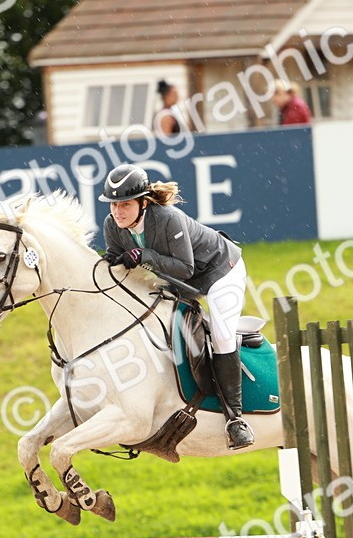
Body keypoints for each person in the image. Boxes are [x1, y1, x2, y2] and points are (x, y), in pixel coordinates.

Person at [98, 163, 255, 450]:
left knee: (221, 334)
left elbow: (185, 267)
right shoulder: (112, 226)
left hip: (220, 271)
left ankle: (236, 420)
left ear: (144, 203)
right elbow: (115, 258)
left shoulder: (168, 218)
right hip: (180, 281)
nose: (118, 211)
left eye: (125, 204)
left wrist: (145, 255)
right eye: (113, 204)